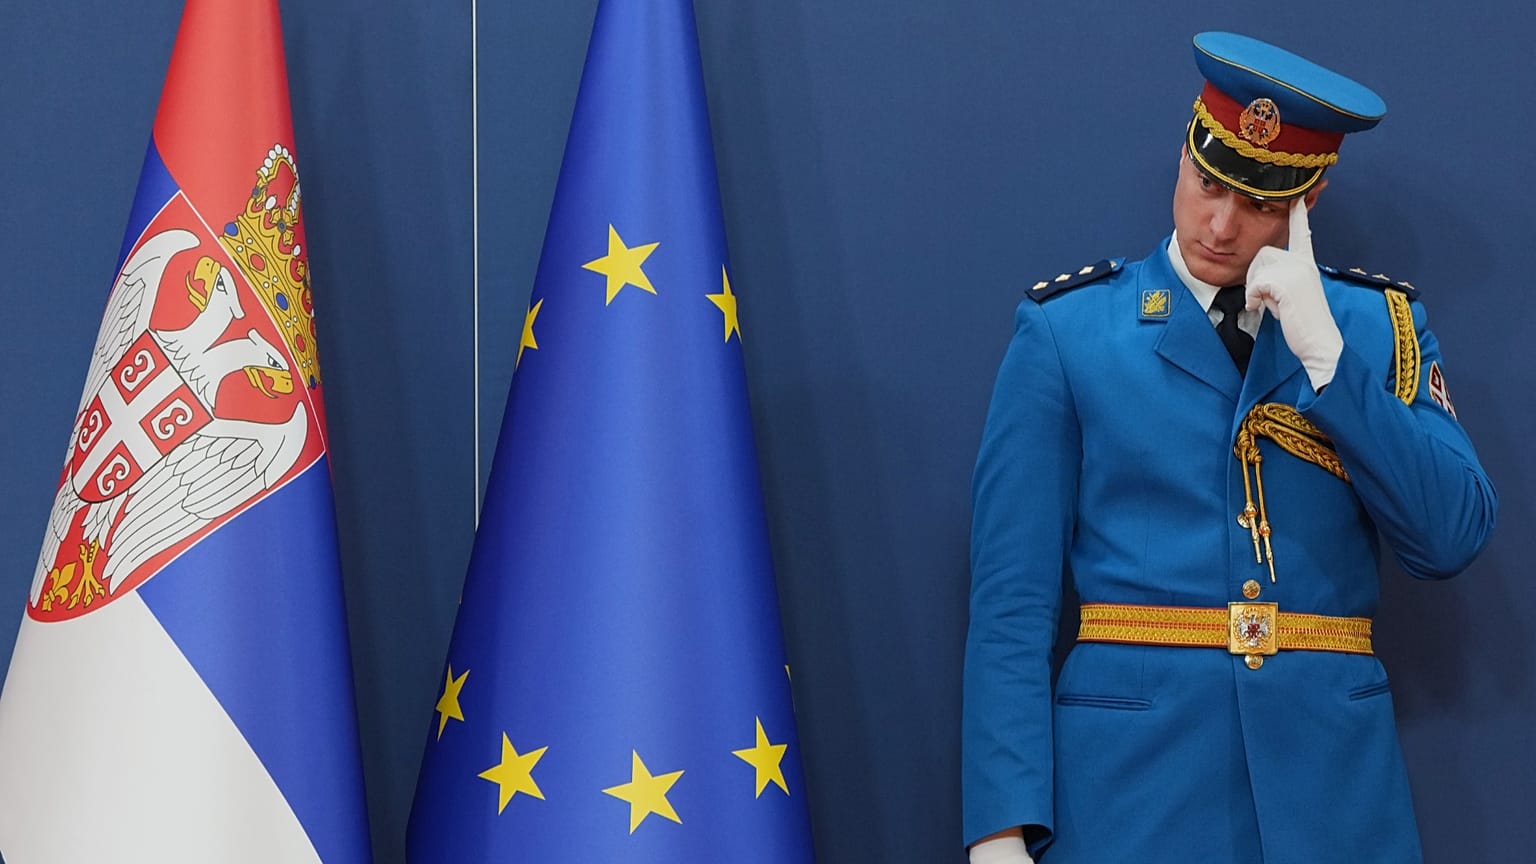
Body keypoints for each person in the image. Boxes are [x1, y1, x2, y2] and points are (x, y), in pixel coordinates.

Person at [961, 31, 1497, 864]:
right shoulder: (1068, 332)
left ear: (1308, 201)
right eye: (1207, 182)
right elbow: (1010, 605)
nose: (1219, 222)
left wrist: (1328, 361)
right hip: (1131, 800)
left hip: (1332, 800)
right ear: (1184, 153)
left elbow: (1450, 535)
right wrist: (1000, 828)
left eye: (1258, 203)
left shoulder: (1376, 329)